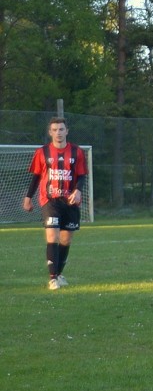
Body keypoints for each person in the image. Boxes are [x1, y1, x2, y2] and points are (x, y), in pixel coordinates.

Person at [23, 117, 89, 290]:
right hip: (49, 200)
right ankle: (53, 278)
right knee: (53, 236)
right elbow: (36, 176)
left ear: (67, 131)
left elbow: (82, 175)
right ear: (49, 132)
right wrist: (28, 197)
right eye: (55, 129)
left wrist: (78, 190)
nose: (58, 133)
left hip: (70, 201)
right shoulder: (42, 152)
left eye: (61, 129)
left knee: (66, 239)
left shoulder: (77, 152)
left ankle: (59, 274)